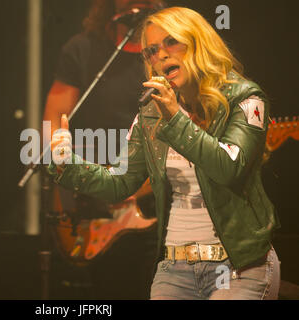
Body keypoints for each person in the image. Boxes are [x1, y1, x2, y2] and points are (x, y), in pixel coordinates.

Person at [49, 6, 281, 300]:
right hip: (175, 270)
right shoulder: (151, 114)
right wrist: (67, 165)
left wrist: (175, 119)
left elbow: (228, 168)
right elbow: (120, 183)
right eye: (151, 50)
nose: (161, 54)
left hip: (240, 267)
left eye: (171, 42)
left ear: (198, 42)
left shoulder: (245, 98)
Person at [43, 0, 166, 299]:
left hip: (158, 202)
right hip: (95, 204)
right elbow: (52, 125)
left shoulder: (167, 54)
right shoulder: (82, 49)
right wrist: (71, 174)